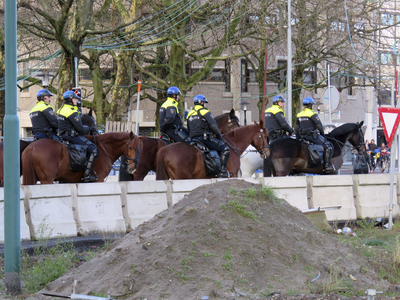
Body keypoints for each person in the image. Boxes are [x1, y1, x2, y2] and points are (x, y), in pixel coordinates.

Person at [58, 90, 98, 182]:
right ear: (70, 100)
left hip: (62, 136)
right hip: (71, 137)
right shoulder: (71, 111)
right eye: (75, 99)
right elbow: (80, 129)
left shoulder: (61, 109)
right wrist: (90, 129)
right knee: (93, 150)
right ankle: (87, 175)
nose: (77, 101)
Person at [187, 95, 230, 178]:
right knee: (225, 149)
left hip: (193, 140)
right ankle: (222, 172)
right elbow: (214, 126)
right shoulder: (205, 111)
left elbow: (189, 129)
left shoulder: (190, 114)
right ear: (202, 103)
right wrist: (219, 137)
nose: (205, 105)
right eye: (205, 103)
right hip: (204, 139)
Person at [295, 97, 334, 173]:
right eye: (312, 105)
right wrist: (323, 135)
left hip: (302, 136)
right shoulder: (312, 113)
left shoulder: (299, 114)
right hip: (311, 136)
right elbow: (319, 125)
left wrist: (297, 138)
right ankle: (327, 166)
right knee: (328, 146)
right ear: (310, 106)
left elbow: (296, 128)